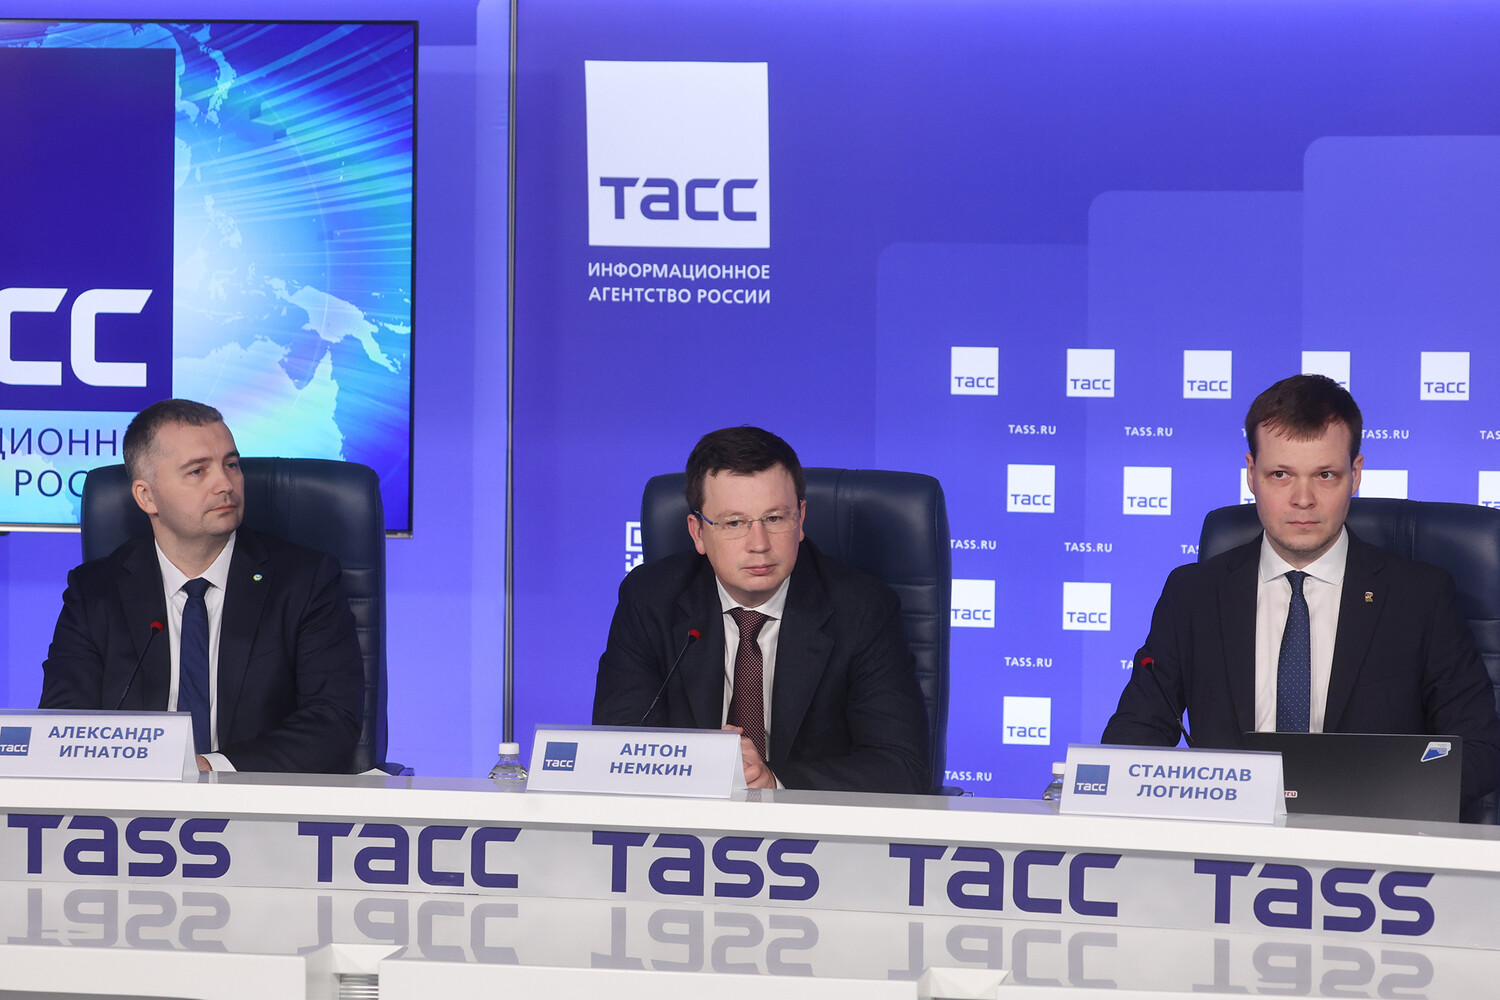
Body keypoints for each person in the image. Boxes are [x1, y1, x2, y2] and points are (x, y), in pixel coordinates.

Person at [1102, 374, 1500, 806]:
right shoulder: (1193, 594)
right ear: (1251, 473)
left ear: (1355, 474)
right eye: (1280, 474)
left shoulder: (1420, 597)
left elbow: (1479, 751)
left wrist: (1356, 799)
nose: (1303, 499)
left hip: (1370, 836)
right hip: (1226, 836)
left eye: (1325, 475)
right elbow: (1134, 735)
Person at [593, 426, 930, 793]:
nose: (759, 544)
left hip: (813, 824)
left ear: (800, 519)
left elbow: (902, 766)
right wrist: (699, 766)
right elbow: (616, 749)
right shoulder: (651, 599)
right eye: (734, 522)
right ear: (698, 532)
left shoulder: (862, 609)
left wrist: (774, 781)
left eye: (775, 518)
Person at [39, 399, 364, 773]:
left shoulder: (305, 580)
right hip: (132, 798)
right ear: (146, 496)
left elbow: (332, 721)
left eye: (231, 464)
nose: (225, 484)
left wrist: (210, 767)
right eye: (197, 471)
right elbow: (62, 725)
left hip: (261, 798)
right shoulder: (95, 591)